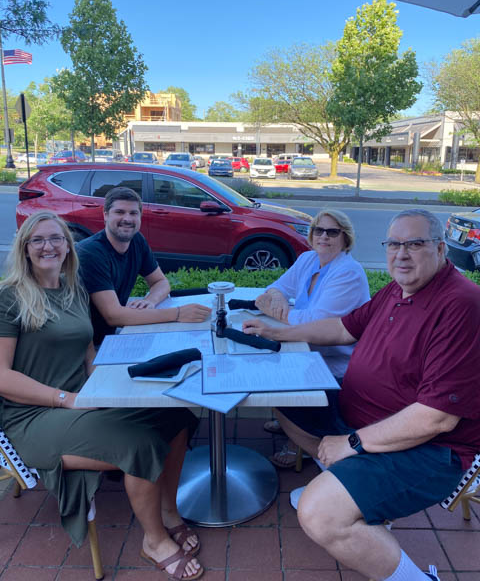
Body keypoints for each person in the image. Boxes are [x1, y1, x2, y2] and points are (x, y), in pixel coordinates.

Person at [243, 209, 480, 581]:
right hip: (362, 416)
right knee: (285, 397)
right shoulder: (397, 289)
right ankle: (349, 485)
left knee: (319, 512)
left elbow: (436, 418)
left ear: (440, 249)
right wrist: (277, 333)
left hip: (430, 450)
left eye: (414, 244)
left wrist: (352, 443)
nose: (401, 254)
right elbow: (343, 328)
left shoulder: (461, 305)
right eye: (394, 244)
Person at [0, 211, 204, 580]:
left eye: (56, 238)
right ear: (25, 249)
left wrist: (114, 389)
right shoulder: (9, 298)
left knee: (178, 416)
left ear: (68, 246)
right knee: (140, 442)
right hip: (33, 417)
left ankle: (169, 511)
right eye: (37, 240)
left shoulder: (73, 289)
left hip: (82, 400)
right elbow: (1, 376)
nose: (48, 246)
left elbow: (88, 354)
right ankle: (154, 540)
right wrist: (67, 399)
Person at [255, 209, 369, 467]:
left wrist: (274, 311)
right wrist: (278, 298)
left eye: (332, 232)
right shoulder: (308, 259)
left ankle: (303, 442)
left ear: (345, 238)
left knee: (276, 383)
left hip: (336, 366)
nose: (324, 236)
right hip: (307, 349)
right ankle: (289, 421)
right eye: (319, 230)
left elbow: (316, 321)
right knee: (269, 367)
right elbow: (276, 288)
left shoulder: (348, 272)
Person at [76, 186, 211, 346]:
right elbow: (113, 316)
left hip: (111, 334)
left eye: (133, 213)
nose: (127, 219)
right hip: (88, 346)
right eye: (120, 212)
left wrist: (150, 301)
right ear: (105, 215)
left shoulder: (136, 240)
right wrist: (178, 313)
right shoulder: (90, 252)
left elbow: (160, 282)